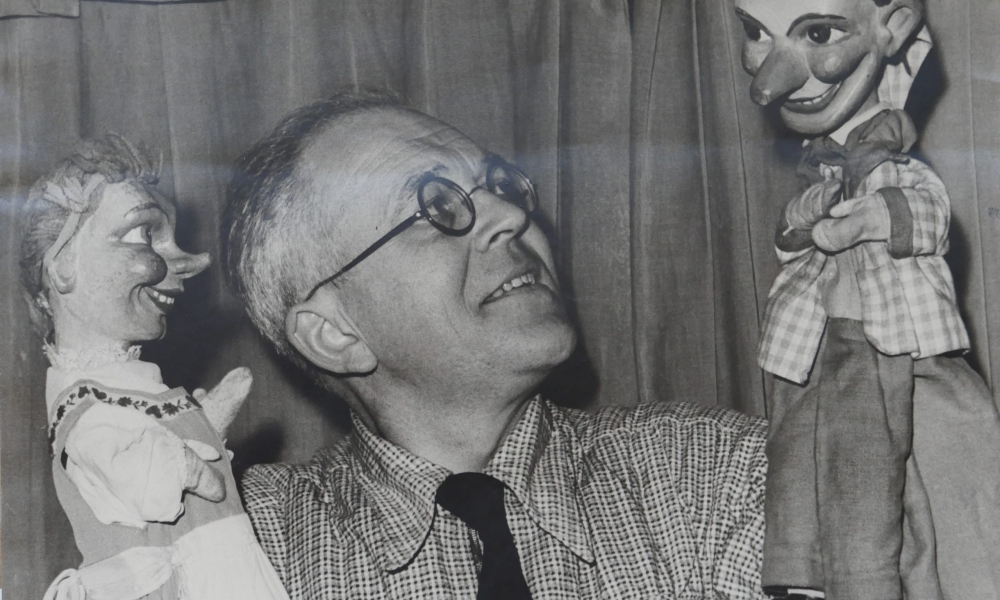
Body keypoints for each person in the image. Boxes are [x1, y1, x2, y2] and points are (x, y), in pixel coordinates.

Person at [224, 90, 768, 599]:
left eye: (498, 185)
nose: (511, 216)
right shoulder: (241, 540)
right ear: (335, 333)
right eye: (434, 209)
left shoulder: (715, 474)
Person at [733, 0, 1000, 597]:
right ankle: (806, 572)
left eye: (818, 33)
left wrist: (870, 219)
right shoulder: (821, 169)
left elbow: (928, 214)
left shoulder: (892, 163)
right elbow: (792, 247)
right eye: (755, 32)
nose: (767, 82)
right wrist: (799, 223)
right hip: (815, 350)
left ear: (895, 27)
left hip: (887, 344)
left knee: (917, 499)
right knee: (803, 468)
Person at [20, 134, 290, 600]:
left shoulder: (130, 389)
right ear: (63, 265)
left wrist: (204, 425)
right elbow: (140, 475)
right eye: (142, 234)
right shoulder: (85, 406)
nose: (189, 263)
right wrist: (191, 468)